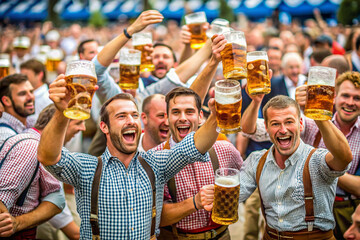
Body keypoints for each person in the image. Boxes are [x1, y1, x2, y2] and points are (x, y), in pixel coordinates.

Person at [37, 64, 221, 240]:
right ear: (104, 127)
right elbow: (48, 157)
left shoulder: (156, 163)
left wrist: (216, 116)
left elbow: (197, 144)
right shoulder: (88, 167)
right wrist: (62, 112)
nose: (131, 121)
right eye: (121, 116)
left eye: (134, 115)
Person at [203, 95, 352, 239]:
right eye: (275, 124)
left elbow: (344, 158)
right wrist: (211, 196)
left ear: (300, 124)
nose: (283, 130)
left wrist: (319, 116)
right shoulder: (257, 160)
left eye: (289, 122)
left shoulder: (316, 159)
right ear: (266, 128)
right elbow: (233, 197)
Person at [157, 35, 242, 240]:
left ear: (200, 115)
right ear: (167, 119)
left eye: (189, 112)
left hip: (222, 235)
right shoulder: (155, 157)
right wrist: (194, 202)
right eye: (175, 112)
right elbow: (156, 216)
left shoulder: (224, 147)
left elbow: (246, 181)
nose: (183, 118)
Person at [0, 105, 67, 239]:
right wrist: (15, 224)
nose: (82, 128)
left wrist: (19, 223)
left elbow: (56, 198)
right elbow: (2, 202)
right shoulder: (30, 146)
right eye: (78, 123)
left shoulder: (41, 147)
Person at [0, 73, 36, 144]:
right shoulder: (5, 136)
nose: (31, 97)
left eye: (31, 92)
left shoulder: (31, 122)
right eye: (22, 94)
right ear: (6, 101)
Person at [20, 59, 52, 123]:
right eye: (21, 76)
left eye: (26, 76)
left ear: (40, 75)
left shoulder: (48, 97)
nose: (22, 79)